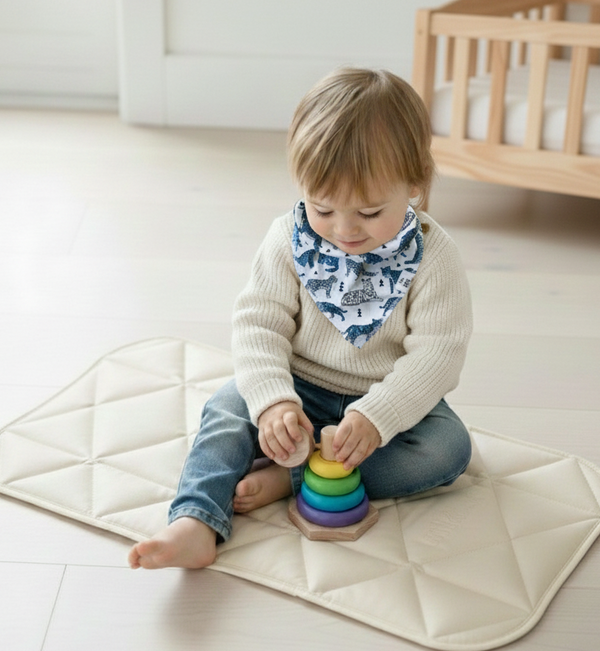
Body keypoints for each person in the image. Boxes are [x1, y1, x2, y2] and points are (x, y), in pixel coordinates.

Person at [128, 67, 473, 571]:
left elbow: (439, 355)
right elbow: (257, 325)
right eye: (323, 208)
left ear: (416, 183)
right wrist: (271, 403)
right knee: (227, 407)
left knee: (447, 449)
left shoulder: (434, 256)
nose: (344, 230)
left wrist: (378, 417)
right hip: (299, 385)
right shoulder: (288, 239)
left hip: (385, 397)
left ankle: (294, 477)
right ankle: (197, 519)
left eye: (372, 212)